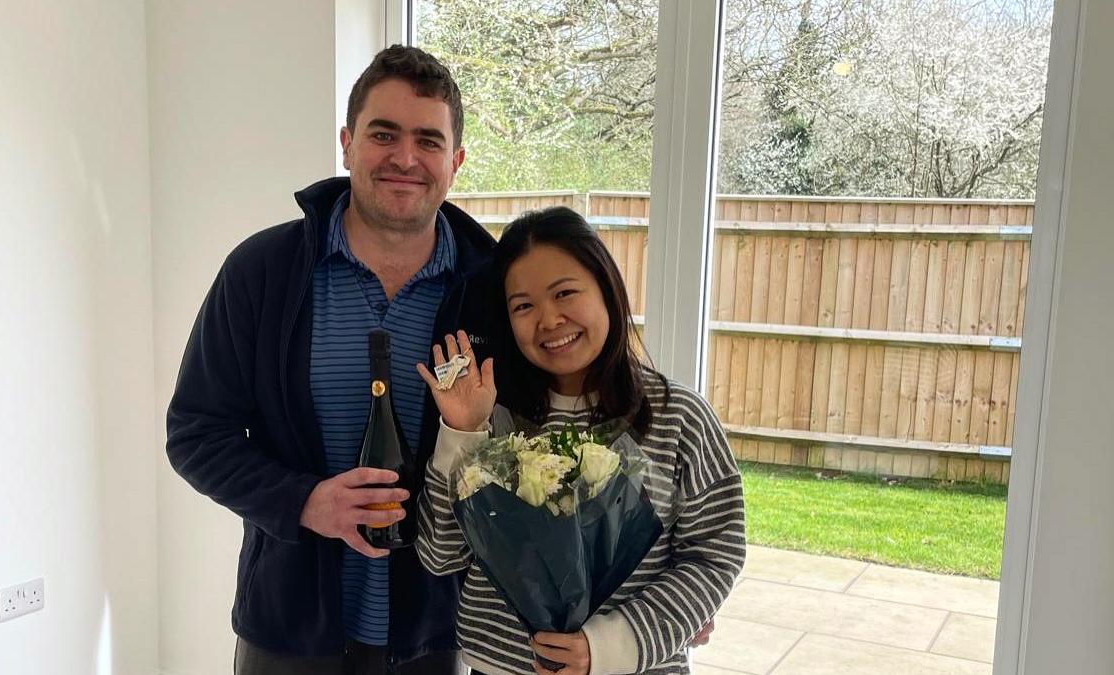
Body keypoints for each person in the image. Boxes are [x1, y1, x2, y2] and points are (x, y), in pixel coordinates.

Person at [165, 45, 499, 674]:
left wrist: (642, 579)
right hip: (287, 628)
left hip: (441, 630)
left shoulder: (493, 292)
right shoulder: (262, 273)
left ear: (454, 161)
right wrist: (302, 501)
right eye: (383, 133)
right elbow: (194, 433)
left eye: (428, 140)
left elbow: (563, 431)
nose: (404, 158)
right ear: (347, 143)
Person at [415, 207, 746, 675]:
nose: (548, 320)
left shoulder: (678, 418)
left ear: (607, 288)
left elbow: (714, 556)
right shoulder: (496, 418)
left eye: (565, 293)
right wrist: (462, 434)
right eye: (523, 305)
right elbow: (439, 555)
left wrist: (610, 645)